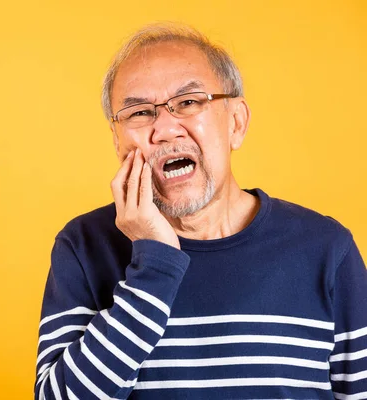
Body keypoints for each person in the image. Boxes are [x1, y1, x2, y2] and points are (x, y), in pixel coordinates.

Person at [34, 24, 367, 400]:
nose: (164, 129)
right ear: (117, 140)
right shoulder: (83, 246)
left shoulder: (326, 249)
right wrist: (154, 268)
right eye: (140, 112)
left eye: (189, 102)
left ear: (236, 123)